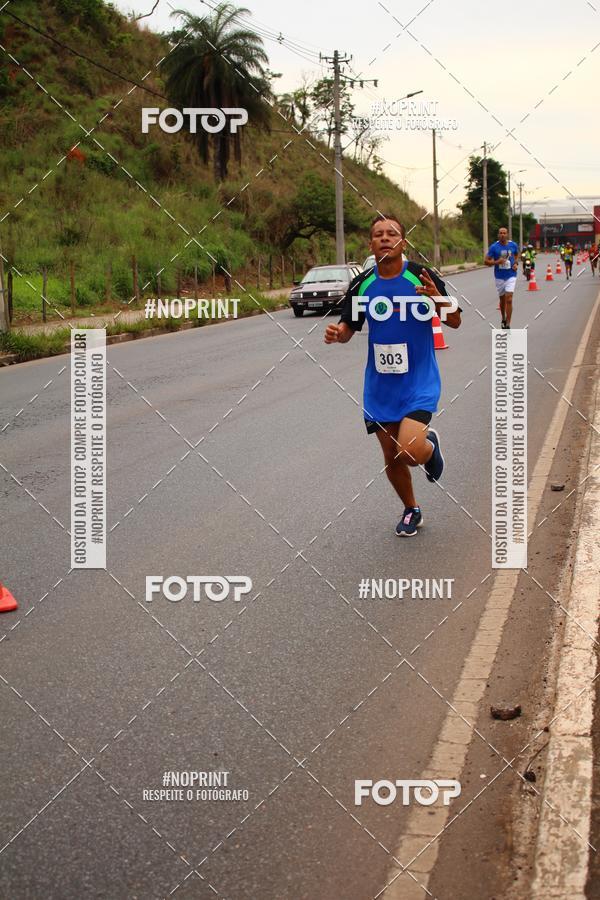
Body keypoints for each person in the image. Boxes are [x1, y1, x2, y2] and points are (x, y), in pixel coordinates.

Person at [324, 214, 461, 537]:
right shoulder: (363, 283)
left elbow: (455, 321)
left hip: (419, 380)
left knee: (410, 450)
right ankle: (411, 509)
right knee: (391, 454)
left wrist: (437, 298)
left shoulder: (421, 276)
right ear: (371, 244)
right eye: (378, 234)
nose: (385, 238)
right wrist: (337, 332)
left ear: (403, 242)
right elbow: (349, 328)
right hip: (380, 385)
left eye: (392, 233)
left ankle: (429, 448)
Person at [485, 227, 519, 329]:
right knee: (502, 300)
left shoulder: (513, 245)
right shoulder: (494, 247)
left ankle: (508, 323)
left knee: (509, 299)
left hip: (511, 275)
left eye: (504, 233)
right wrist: (496, 262)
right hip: (499, 276)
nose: (503, 235)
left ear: (507, 234)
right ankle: (503, 317)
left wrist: (516, 263)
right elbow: (486, 261)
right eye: (501, 233)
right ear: (498, 235)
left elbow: (517, 255)